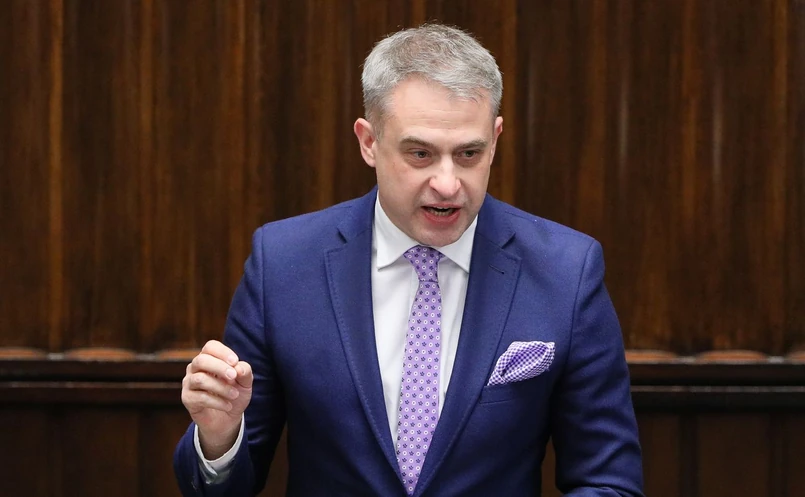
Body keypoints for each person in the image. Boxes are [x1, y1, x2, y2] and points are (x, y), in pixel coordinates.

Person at [173, 23, 644, 497]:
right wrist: (219, 439)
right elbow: (223, 488)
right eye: (420, 154)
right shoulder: (283, 263)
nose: (447, 183)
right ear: (369, 142)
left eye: (469, 153)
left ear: (495, 139)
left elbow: (609, 483)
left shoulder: (566, 271)